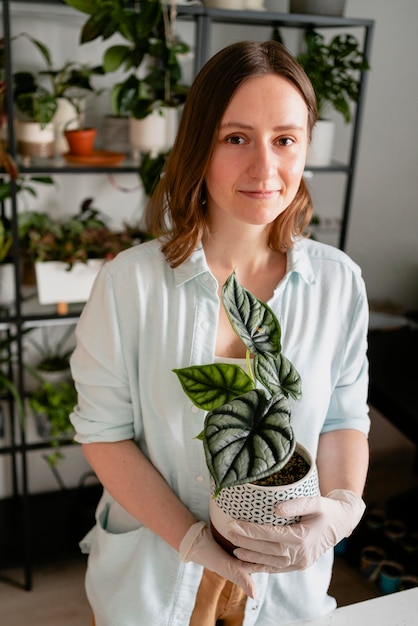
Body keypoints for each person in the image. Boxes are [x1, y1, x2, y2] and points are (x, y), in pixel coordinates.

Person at [70, 40, 370, 626]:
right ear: (199, 144)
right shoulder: (129, 285)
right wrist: (191, 539)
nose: (265, 169)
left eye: (285, 140)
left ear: (306, 146)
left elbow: (342, 419)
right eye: (236, 138)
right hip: (154, 578)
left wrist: (340, 512)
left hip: (285, 587)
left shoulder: (338, 282)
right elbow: (104, 434)